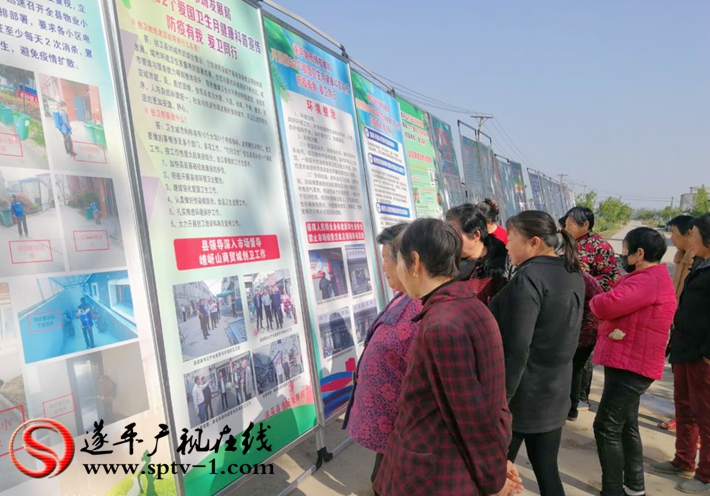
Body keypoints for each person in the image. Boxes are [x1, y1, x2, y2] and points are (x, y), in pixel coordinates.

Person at [373, 218, 522, 496]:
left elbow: (470, 414)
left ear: (415, 262)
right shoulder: (470, 306)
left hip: (436, 474)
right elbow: (491, 402)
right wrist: (497, 461)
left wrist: (494, 478)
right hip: (455, 463)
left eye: (398, 261)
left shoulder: (442, 324)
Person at [489, 211, 584, 496]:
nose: (507, 245)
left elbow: (517, 348)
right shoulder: (571, 271)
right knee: (547, 472)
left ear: (533, 242)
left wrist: (501, 402)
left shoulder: (529, 279)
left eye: (511, 239)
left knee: (494, 476)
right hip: (554, 392)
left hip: (522, 398)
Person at [590, 227, 676, 496]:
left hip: (631, 365)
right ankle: (634, 487)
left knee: (606, 427)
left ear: (639, 253)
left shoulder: (646, 281)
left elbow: (606, 306)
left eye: (625, 250)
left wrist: (595, 297)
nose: (622, 255)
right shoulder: (649, 278)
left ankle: (613, 490)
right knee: (626, 423)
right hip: (630, 361)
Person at [343, 223, 422, 489]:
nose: (383, 267)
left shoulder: (425, 311)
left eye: (387, 259)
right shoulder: (404, 297)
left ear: (409, 261)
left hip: (408, 439)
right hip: (391, 435)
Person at [651, 214, 710, 494]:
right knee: (685, 408)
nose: (690, 239)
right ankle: (683, 460)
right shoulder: (698, 262)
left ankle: (706, 476)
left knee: (706, 415)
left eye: (694, 234)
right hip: (684, 348)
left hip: (702, 355)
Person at [563, 206, 621, 411]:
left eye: (570, 223)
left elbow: (611, 279)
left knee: (582, 355)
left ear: (585, 224)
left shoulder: (599, 246)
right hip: (570, 305)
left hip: (589, 308)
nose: (566, 227)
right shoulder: (568, 242)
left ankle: (581, 397)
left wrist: (586, 279)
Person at [658, 214, 696, 432]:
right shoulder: (681, 257)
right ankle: (681, 417)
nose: (671, 237)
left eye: (673, 232)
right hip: (679, 323)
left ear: (690, 233)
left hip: (694, 329)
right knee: (681, 378)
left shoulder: (700, 261)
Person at [446, 203, 509, 305]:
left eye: (455, 235)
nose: (449, 240)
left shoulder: (504, 265)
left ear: (476, 235)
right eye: (447, 234)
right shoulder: (447, 264)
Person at [567, 268, 604, 421]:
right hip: (589, 328)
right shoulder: (579, 275)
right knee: (575, 369)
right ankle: (572, 408)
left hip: (584, 330)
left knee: (573, 369)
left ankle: (571, 408)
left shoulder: (573, 277)